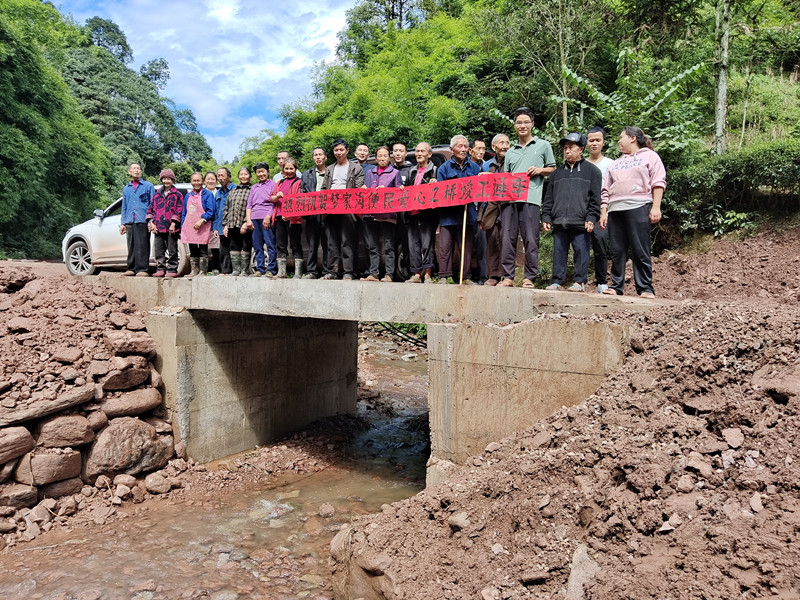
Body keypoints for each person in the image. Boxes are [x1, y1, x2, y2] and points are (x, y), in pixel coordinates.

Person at [599, 126, 666, 299]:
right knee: (617, 250)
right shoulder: (616, 163)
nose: (618, 141)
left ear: (632, 138)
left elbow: (658, 182)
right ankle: (616, 286)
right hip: (615, 208)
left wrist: (656, 206)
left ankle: (645, 288)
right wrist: (604, 211)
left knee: (640, 248)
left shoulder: (650, 156)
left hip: (638, 205)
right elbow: (606, 189)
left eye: (621, 137)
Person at [500, 107, 556, 288]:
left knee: (531, 238)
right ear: (514, 125)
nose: (522, 126)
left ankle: (529, 277)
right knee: (507, 239)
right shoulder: (510, 151)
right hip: (509, 200)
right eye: (519, 122)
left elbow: (553, 169)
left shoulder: (543, 145)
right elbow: (505, 176)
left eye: (526, 122)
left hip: (531, 198)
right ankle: (508, 277)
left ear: (532, 124)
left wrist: (540, 170)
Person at [541, 132, 601, 292]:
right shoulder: (557, 173)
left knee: (581, 251)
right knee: (559, 252)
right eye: (565, 148)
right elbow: (549, 197)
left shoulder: (592, 171)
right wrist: (546, 216)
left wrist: (591, 217)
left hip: (581, 220)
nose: (567, 151)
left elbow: (595, 198)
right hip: (559, 219)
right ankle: (557, 281)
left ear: (581, 149)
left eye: (571, 147)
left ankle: (579, 282)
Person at [436, 134, 481, 284]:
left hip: (467, 215)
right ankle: (444, 276)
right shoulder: (443, 168)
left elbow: (479, 190)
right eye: (459, 146)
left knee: (466, 248)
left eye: (465, 146)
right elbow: (440, 192)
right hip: (448, 216)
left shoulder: (475, 168)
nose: (463, 149)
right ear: (451, 149)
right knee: (445, 248)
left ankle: (466, 277)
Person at [321, 139, 364, 280]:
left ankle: (348, 272)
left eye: (341, 150)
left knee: (347, 241)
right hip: (330, 210)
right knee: (331, 242)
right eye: (336, 150)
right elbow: (324, 188)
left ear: (347, 150)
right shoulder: (329, 169)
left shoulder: (356, 168)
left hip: (348, 210)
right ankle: (332, 271)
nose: (338, 152)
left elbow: (358, 189)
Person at [362, 146, 402, 282]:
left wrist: (387, 190)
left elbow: (399, 194)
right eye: (380, 156)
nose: (382, 158)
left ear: (389, 158)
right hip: (371, 215)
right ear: (376, 158)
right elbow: (366, 193)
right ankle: (373, 273)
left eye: (385, 156)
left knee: (389, 245)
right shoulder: (370, 173)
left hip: (388, 215)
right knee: (372, 246)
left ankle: (389, 274)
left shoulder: (395, 173)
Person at [585, 126, 614, 293]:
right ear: (586, 143)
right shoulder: (581, 164)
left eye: (598, 140)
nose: (594, 143)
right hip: (582, 211)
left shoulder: (610, 164)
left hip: (602, 212)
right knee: (581, 247)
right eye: (591, 140)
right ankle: (579, 281)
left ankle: (602, 281)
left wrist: (606, 211)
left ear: (603, 142)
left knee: (600, 245)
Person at [478, 134, 510, 285]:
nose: (505, 146)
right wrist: (480, 216)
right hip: (490, 209)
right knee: (491, 243)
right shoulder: (486, 166)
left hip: (507, 207)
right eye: (501, 143)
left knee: (506, 242)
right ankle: (493, 275)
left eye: (507, 143)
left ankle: (507, 276)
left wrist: (492, 177)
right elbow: (481, 193)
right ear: (494, 147)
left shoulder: (512, 162)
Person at [405, 142, 438, 284]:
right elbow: (407, 190)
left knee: (427, 244)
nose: (419, 154)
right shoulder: (411, 171)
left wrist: (436, 183)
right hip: (412, 213)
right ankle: (416, 274)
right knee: (413, 245)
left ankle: (428, 274)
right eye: (417, 151)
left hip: (427, 214)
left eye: (422, 151)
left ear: (429, 154)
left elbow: (440, 191)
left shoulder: (434, 170)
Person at [120, 162, 156, 277]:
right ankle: (131, 268)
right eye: (134, 168)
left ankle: (142, 269)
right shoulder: (126, 189)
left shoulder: (148, 186)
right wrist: (123, 223)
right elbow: (124, 206)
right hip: (130, 220)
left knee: (143, 245)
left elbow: (152, 204)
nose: (136, 170)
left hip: (143, 219)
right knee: (131, 246)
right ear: (129, 172)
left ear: (141, 171)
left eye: (138, 168)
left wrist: (151, 221)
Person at [146, 168, 183, 278]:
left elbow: (179, 210)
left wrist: (174, 223)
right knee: (159, 249)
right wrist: (151, 223)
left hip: (172, 228)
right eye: (164, 179)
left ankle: (172, 269)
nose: (166, 181)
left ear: (172, 180)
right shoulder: (156, 195)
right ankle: (160, 269)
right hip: (158, 227)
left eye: (169, 179)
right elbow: (150, 210)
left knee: (172, 249)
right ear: (161, 180)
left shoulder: (177, 194)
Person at [272, 156, 303, 278]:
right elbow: (272, 197)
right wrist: (277, 196)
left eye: (291, 168)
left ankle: (298, 272)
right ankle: (282, 272)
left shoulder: (299, 182)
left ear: (296, 169)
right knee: (280, 244)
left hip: (293, 218)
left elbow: (300, 200)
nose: (289, 171)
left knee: (295, 244)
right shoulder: (280, 182)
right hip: (279, 216)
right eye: (287, 168)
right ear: (283, 169)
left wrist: (291, 215)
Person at [301, 147, 329, 279]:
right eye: (316, 155)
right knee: (312, 244)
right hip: (312, 214)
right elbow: (302, 194)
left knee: (328, 244)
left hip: (328, 214)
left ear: (325, 157)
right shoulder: (306, 174)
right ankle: (311, 271)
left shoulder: (331, 172)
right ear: (313, 158)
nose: (318, 157)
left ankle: (327, 271)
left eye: (320, 155)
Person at [180, 172, 215, 278]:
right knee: (193, 249)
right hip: (190, 227)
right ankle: (194, 271)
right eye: (194, 181)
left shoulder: (208, 194)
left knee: (203, 250)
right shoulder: (188, 196)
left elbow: (211, 211)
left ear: (202, 181)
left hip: (203, 226)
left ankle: (203, 271)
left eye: (198, 180)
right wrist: (183, 225)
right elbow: (184, 212)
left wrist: (202, 220)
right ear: (191, 182)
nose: (196, 183)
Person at [246, 162, 278, 277]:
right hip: (254, 218)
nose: (261, 174)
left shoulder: (273, 185)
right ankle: (260, 269)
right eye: (258, 172)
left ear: (268, 172)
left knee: (270, 244)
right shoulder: (254, 187)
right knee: (257, 245)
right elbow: (249, 205)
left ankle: (271, 269)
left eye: (263, 171)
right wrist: (248, 220)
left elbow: (275, 203)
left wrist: (268, 216)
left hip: (266, 217)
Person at [223, 167, 253, 276]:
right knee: (234, 246)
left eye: (246, 174)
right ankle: (236, 270)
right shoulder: (233, 191)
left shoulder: (252, 190)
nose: (243, 176)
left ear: (250, 176)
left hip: (245, 224)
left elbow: (253, 207)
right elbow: (227, 208)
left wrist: (246, 222)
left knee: (245, 246)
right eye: (241, 174)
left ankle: (244, 270)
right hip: (232, 223)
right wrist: (226, 224)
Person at [213, 167, 236, 275]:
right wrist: (215, 228)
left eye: (223, 175)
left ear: (229, 176)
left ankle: (236, 271)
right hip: (221, 226)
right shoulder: (218, 193)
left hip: (233, 225)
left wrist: (227, 224)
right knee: (224, 249)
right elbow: (216, 212)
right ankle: (225, 271)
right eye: (218, 176)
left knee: (234, 248)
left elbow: (235, 209)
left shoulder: (235, 189)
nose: (220, 178)